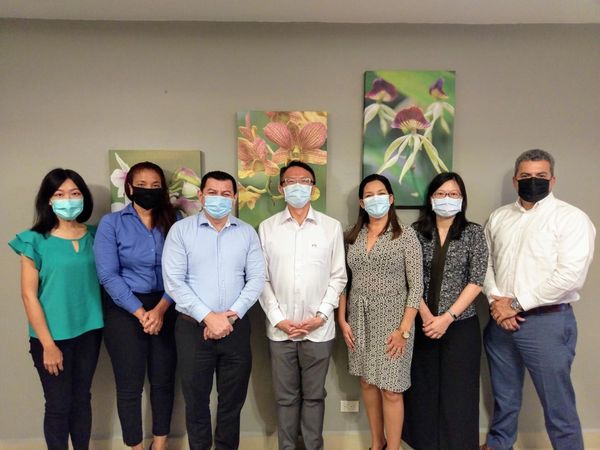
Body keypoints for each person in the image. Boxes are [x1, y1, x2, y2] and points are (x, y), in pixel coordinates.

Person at [481, 149, 595, 450]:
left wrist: (514, 305)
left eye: (541, 176)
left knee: (558, 403)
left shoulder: (571, 219)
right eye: (526, 176)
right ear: (515, 180)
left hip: (547, 323)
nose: (533, 181)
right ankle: (499, 444)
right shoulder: (499, 217)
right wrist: (496, 302)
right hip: (500, 322)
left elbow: (569, 277)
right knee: (504, 397)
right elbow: (485, 264)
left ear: (552, 180)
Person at [162, 170, 265, 450]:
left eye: (225, 193)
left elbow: (257, 279)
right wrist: (208, 317)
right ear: (201, 195)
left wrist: (229, 316)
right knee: (196, 402)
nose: (219, 198)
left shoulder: (246, 233)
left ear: (234, 197)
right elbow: (174, 281)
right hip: (192, 329)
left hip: (236, 328)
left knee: (232, 402)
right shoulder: (181, 231)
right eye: (212, 192)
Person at [8, 168, 103, 450]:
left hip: (89, 332)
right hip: (51, 336)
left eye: (74, 193)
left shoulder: (96, 235)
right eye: (60, 194)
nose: (68, 200)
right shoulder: (34, 240)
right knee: (59, 404)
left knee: (82, 399)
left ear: (83, 197)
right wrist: (48, 345)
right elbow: (28, 296)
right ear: (49, 200)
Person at [259, 161, 347, 450]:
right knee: (285, 398)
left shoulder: (330, 227)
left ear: (313, 188)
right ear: (281, 187)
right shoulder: (267, 228)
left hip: (319, 330)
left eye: (305, 181)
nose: (298, 186)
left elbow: (338, 276)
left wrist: (321, 316)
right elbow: (261, 279)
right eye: (291, 181)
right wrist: (278, 319)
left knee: (314, 397)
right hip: (280, 331)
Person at [93, 161, 178, 450]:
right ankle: (135, 446)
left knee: (163, 381)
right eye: (142, 185)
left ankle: (160, 443)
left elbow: (183, 269)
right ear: (129, 188)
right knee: (129, 385)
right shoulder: (112, 223)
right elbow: (107, 275)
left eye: (155, 186)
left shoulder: (175, 221)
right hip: (125, 309)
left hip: (167, 305)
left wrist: (161, 309)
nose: (148, 190)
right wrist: (142, 313)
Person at [402, 172, 488, 450]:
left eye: (453, 194)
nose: (447, 199)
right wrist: (427, 317)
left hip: (460, 325)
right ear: (431, 198)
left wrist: (447, 318)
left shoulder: (473, 233)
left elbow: (476, 280)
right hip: (422, 323)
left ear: (462, 198)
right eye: (441, 194)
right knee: (422, 391)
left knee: (459, 393)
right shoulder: (415, 232)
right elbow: (409, 278)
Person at [338, 173, 423, 450]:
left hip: (394, 320)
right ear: (362, 203)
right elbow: (344, 280)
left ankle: (394, 447)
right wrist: (342, 319)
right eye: (369, 195)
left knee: (391, 389)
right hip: (358, 318)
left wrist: (404, 330)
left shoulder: (405, 235)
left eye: (381, 193)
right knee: (367, 382)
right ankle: (378, 443)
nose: (375, 199)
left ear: (391, 198)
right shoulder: (352, 235)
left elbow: (416, 286)